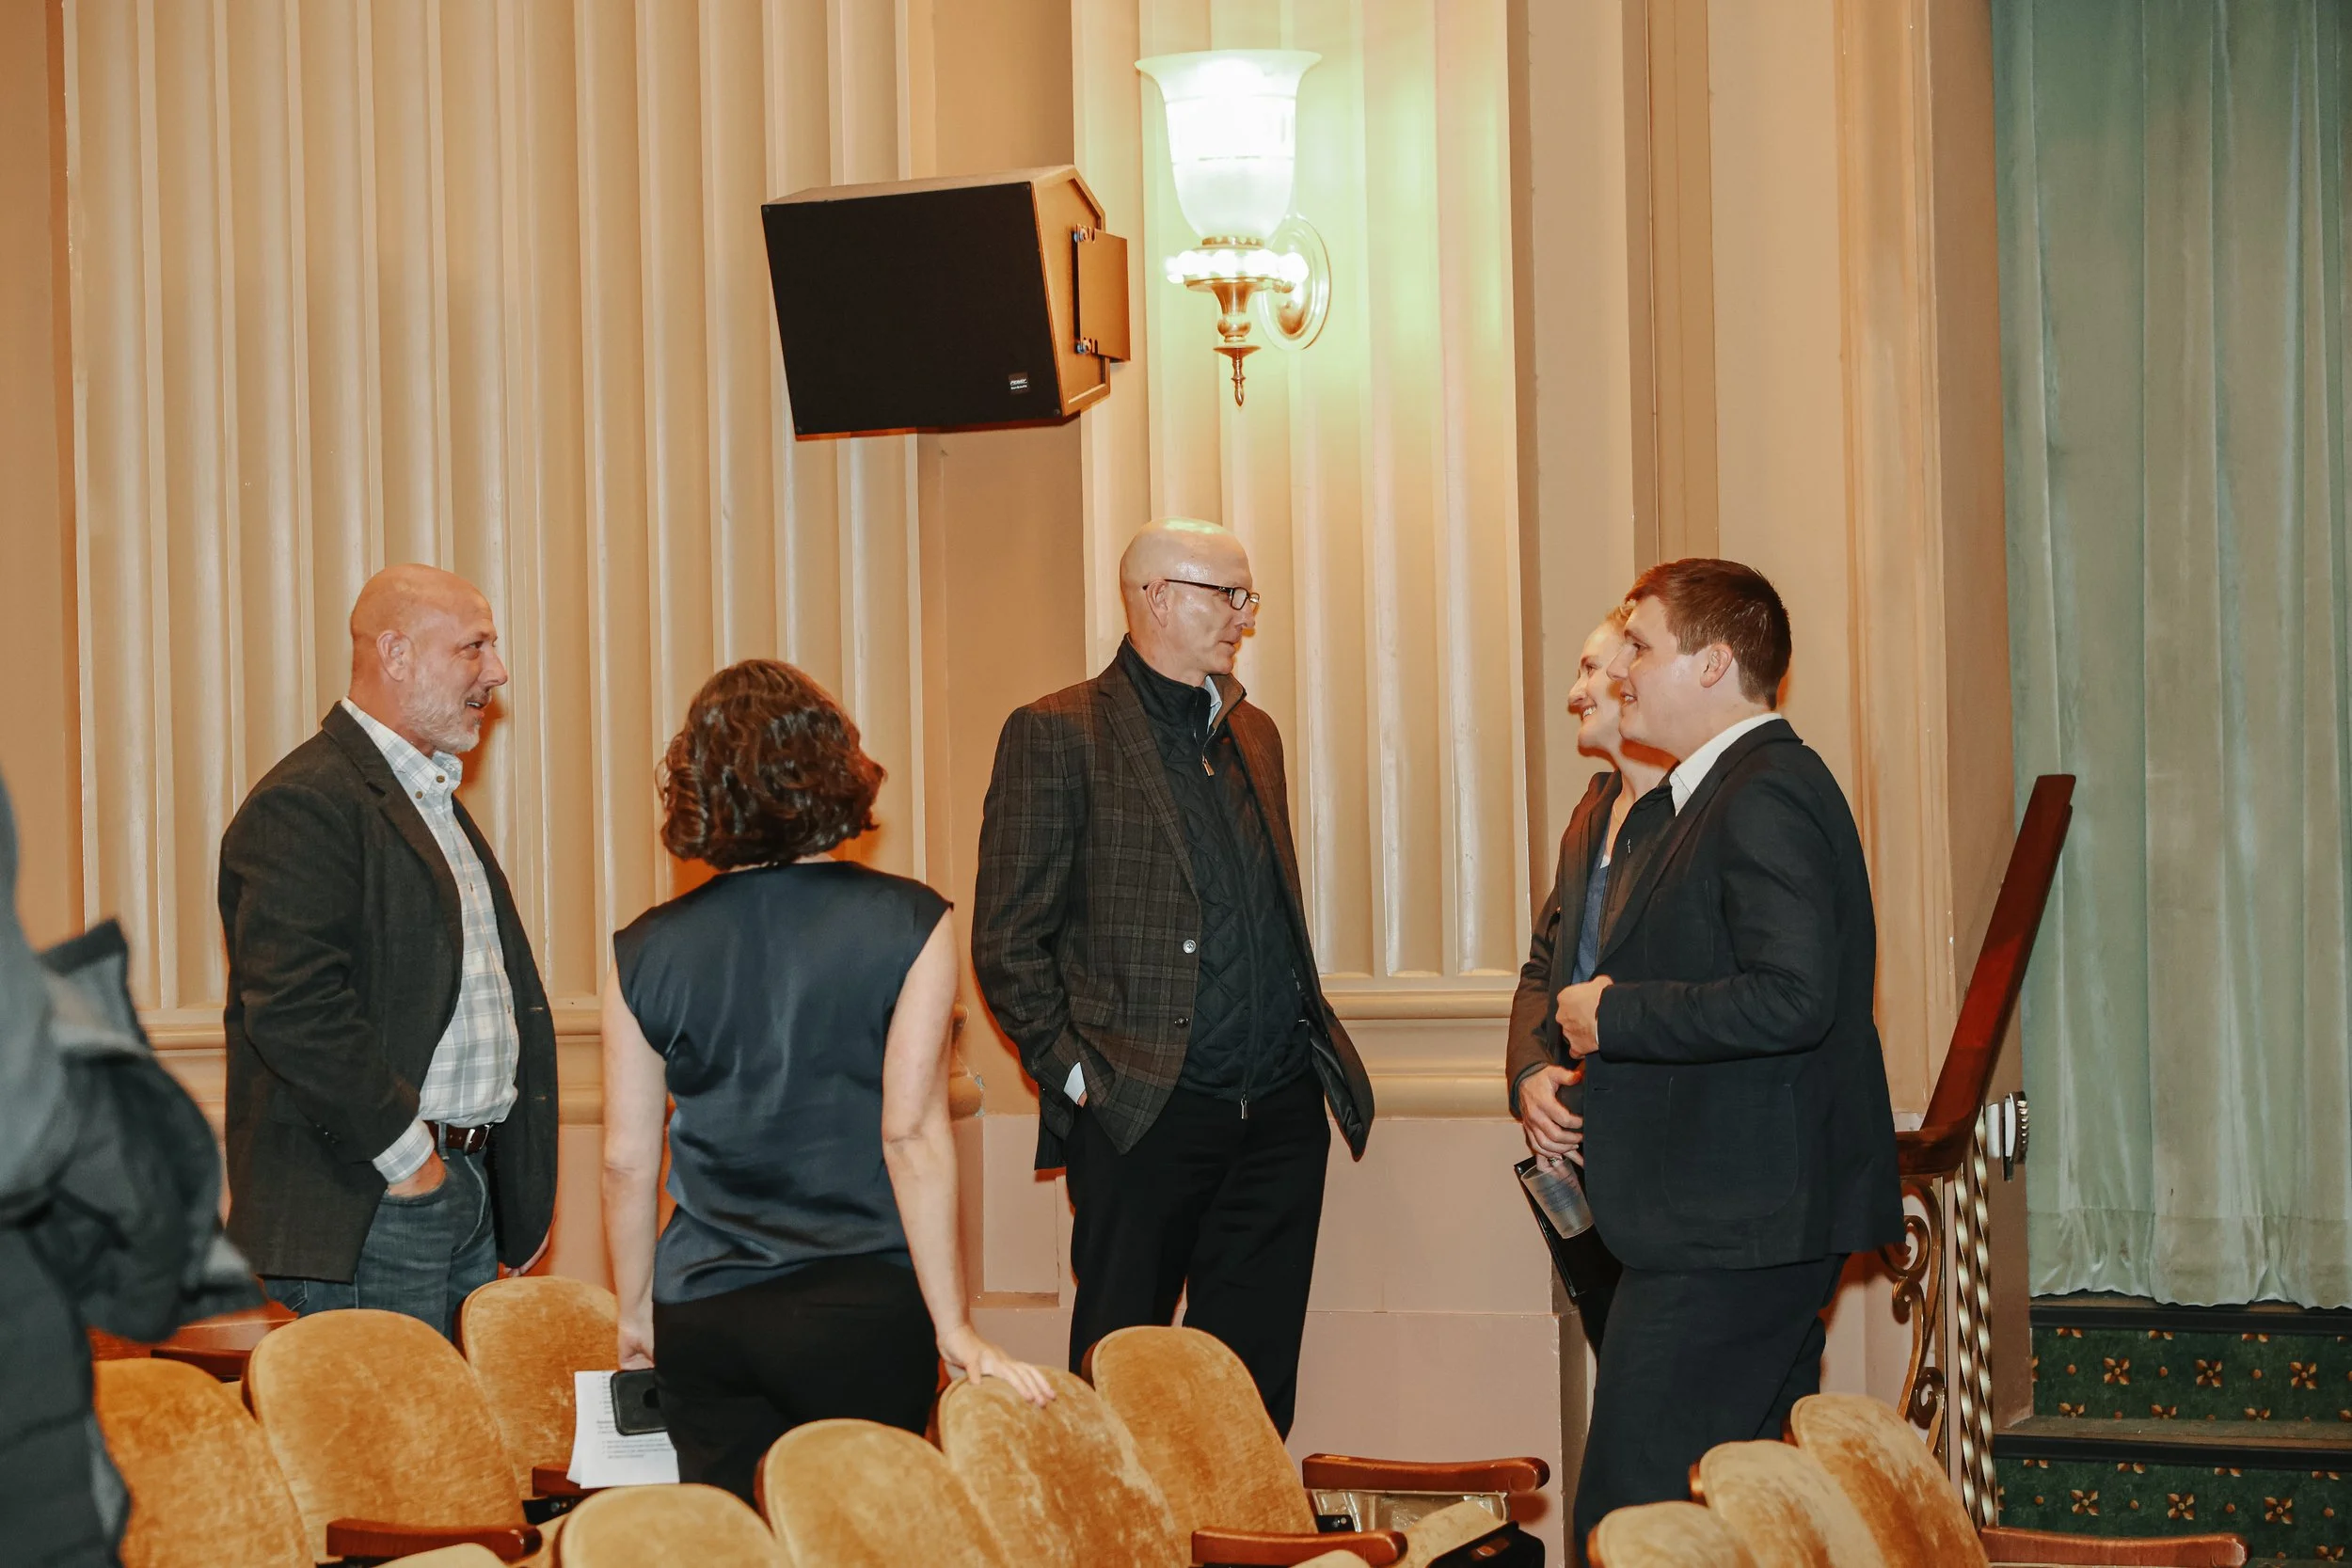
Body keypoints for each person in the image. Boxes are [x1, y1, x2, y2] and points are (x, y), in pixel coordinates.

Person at [602, 659, 1053, 1505]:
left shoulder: (644, 947)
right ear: (832, 767)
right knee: (865, 1537)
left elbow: (628, 1160)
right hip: (860, 1305)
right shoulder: (913, 920)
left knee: (732, 1544)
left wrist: (634, 1310)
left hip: (703, 1305)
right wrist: (954, 1326)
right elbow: (910, 1134)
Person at [972, 516, 1375, 1437]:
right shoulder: (1056, 731)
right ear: (1155, 596)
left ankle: (1239, 1516)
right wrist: (1084, 1079)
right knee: (1124, 1373)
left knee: (1252, 1386)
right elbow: (1007, 940)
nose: (1243, 614)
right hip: (1143, 1110)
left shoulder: (1254, 733)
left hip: (1278, 1111)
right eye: (1225, 593)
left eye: (1247, 596)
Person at [1554, 559, 1901, 1559]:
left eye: (1641, 646)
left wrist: (1614, 1014)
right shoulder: (1719, 790)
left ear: (1711, 663)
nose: (1620, 671)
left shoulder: (1762, 789)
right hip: (1731, 1221)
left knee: (1631, 1525)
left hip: (1729, 1229)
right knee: (1743, 1526)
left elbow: (1794, 994)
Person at [219, 564, 557, 1341]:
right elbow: (295, 1010)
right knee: (382, 1425)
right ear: (397, 653)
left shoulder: (430, 798)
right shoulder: (305, 802)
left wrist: (498, 1185)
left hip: (458, 1188)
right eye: (474, 647)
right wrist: (412, 1162)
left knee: (448, 1422)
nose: (497, 672)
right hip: (374, 1198)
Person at [1507, 605, 1676, 1177]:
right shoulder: (1592, 811)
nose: (1575, 693)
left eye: (1589, 669)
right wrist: (1530, 1072)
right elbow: (1544, 964)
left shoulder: (1695, 814)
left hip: (1667, 1133)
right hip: (1586, 1133)